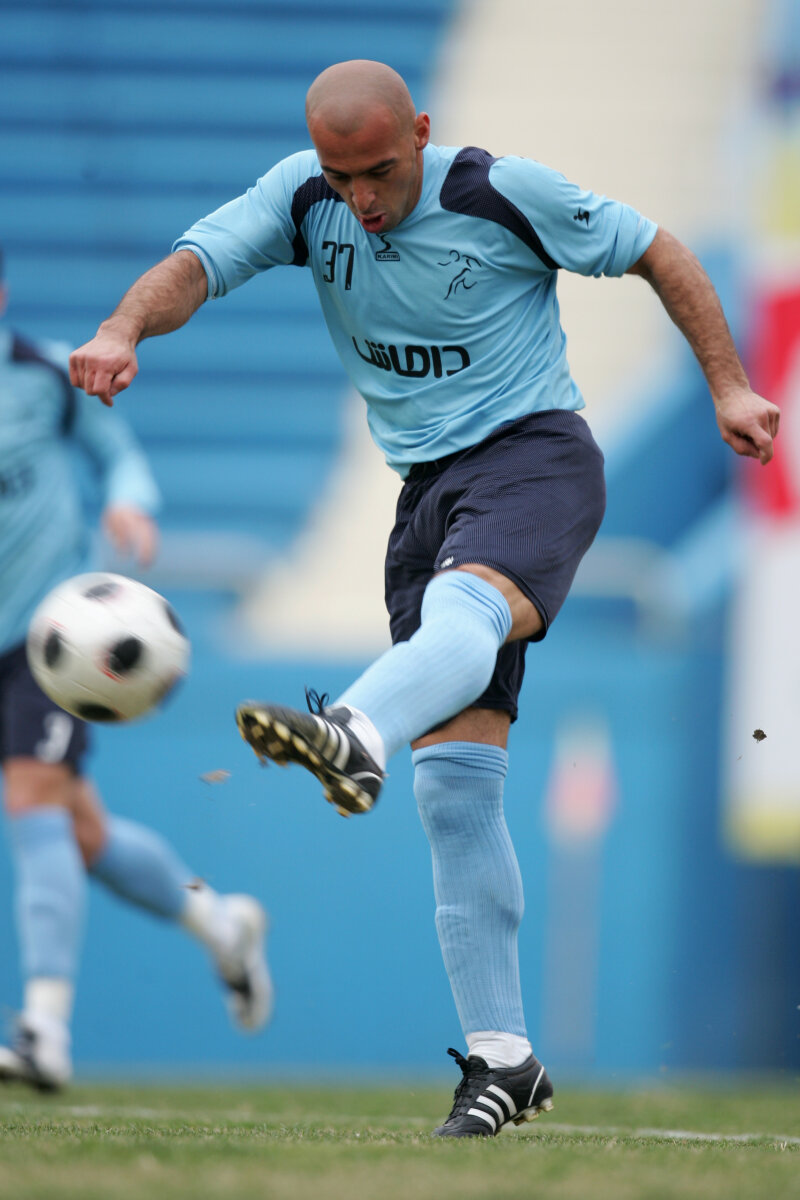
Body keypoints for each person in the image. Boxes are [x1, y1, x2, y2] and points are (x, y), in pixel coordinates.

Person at [68, 60, 779, 1136]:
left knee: (464, 619)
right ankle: (504, 1059)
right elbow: (195, 264)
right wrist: (123, 329)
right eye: (340, 176)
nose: (360, 197)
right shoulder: (302, 198)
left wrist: (727, 383)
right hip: (424, 499)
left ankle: (354, 727)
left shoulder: (501, 191)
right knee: (452, 795)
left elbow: (657, 251)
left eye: (378, 172)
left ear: (422, 133)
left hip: (533, 458)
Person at [0, 248, 272, 1092]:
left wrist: (129, 499)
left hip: (48, 640)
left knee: (30, 800)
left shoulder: (44, 376)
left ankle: (44, 1031)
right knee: (81, 833)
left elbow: (116, 450)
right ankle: (220, 924)